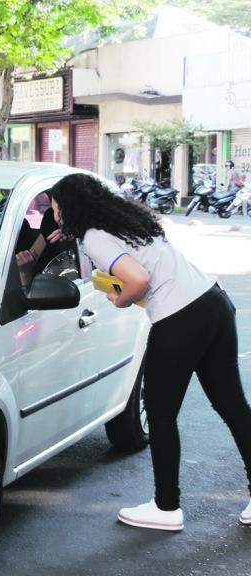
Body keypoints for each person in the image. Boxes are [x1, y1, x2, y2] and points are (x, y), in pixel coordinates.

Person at [48, 173, 251, 531]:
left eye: (55, 207)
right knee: (233, 407)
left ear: (68, 207)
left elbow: (138, 279)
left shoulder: (95, 237)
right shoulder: (126, 223)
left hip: (180, 318)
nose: (53, 214)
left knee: (160, 412)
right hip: (213, 301)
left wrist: (119, 299)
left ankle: (166, 506)